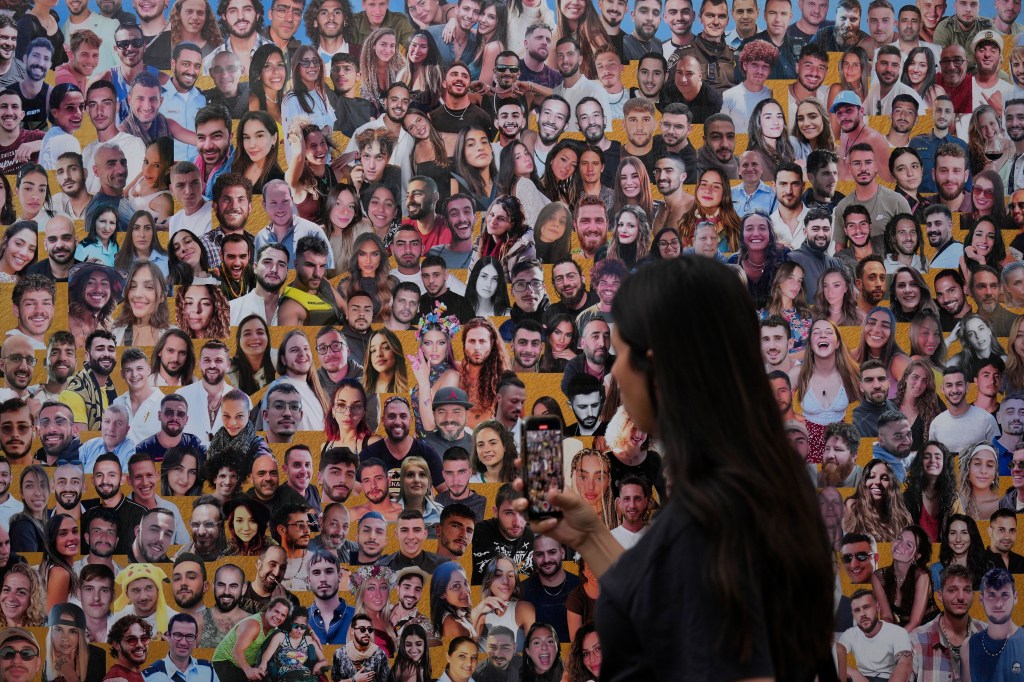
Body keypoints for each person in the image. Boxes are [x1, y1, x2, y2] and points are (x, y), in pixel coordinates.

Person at [212, 597, 292, 682]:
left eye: (283, 615)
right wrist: (248, 670)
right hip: (225, 661)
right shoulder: (254, 625)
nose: (278, 617)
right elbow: (236, 651)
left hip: (245, 664)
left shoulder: (273, 627)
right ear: (268, 610)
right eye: (276, 611)